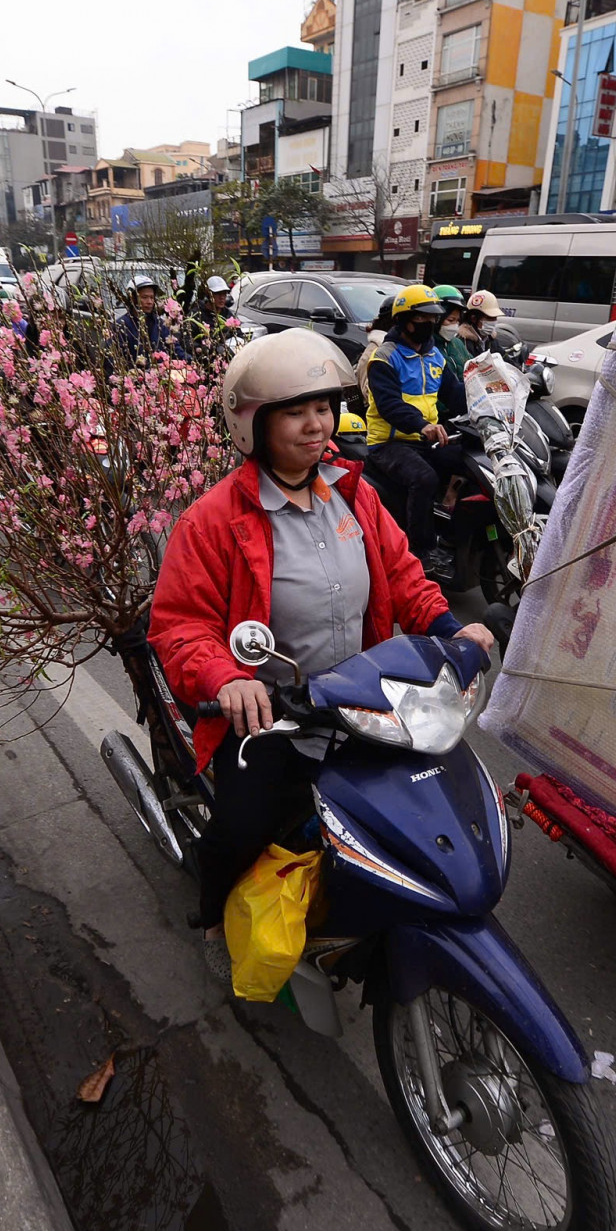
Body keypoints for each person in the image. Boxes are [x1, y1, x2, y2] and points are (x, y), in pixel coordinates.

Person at [148, 327, 496, 980]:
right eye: (296, 411)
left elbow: (404, 572)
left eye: (324, 407)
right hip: (271, 717)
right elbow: (180, 623)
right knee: (243, 825)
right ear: (253, 424)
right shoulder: (214, 519)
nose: (316, 424)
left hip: (361, 702)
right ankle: (213, 911)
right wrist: (228, 679)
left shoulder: (353, 492)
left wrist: (452, 626)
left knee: (406, 816)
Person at [363, 285, 468, 581]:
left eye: (434, 318)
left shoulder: (435, 355)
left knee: (470, 461)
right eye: (423, 318)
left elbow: (455, 394)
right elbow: (389, 405)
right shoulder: (385, 357)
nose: (431, 324)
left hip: (427, 439)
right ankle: (420, 552)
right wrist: (423, 425)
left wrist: (487, 394)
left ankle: (452, 536)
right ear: (405, 320)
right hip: (389, 442)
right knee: (424, 478)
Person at [113, 274, 179, 364]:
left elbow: (177, 350)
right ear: (133, 299)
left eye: (152, 297)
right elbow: (113, 360)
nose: (149, 302)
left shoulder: (160, 324)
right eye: (144, 297)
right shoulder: (121, 326)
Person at [180, 275, 237, 366]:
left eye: (224, 294)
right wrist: (201, 348)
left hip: (228, 362)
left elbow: (238, 334)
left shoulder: (227, 314)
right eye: (218, 294)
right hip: (205, 364)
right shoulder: (196, 314)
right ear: (208, 294)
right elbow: (186, 339)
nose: (222, 297)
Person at [433, 284, 473, 374]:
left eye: (458, 321)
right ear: (436, 318)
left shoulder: (458, 344)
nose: (455, 326)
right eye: (451, 320)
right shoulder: (427, 348)